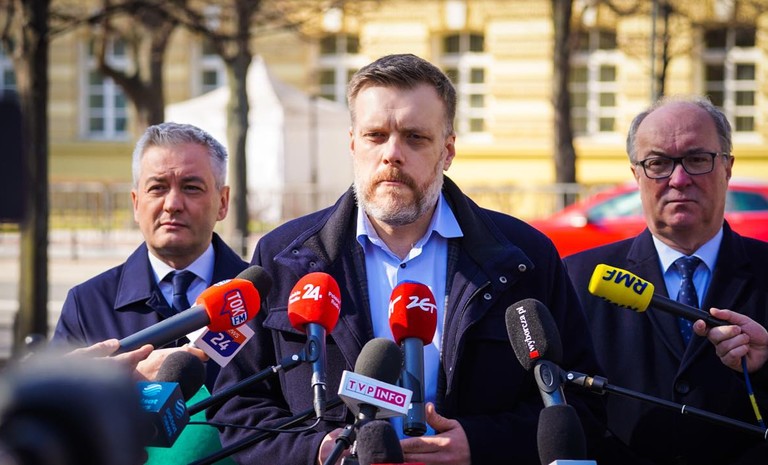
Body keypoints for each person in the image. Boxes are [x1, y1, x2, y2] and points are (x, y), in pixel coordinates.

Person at [209, 53, 605, 465]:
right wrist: (320, 452)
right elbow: (238, 409)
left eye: (415, 137)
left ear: (447, 151)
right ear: (353, 144)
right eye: (376, 136)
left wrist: (481, 445)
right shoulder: (285, 258)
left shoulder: (524, 259)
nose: (392, 154)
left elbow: (581, 404)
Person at [563, 96, 768, 465]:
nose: (679, 179)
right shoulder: (575, 279)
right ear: (636, 175)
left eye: (697, 159)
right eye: (658, 163)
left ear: (728, 168)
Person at [49, 122, 248, 463]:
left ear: (223, 202)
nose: (173, 203)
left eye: (191, 187)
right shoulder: (88, 304)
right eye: (157, 188)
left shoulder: (262, 298)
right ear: (135, 202)